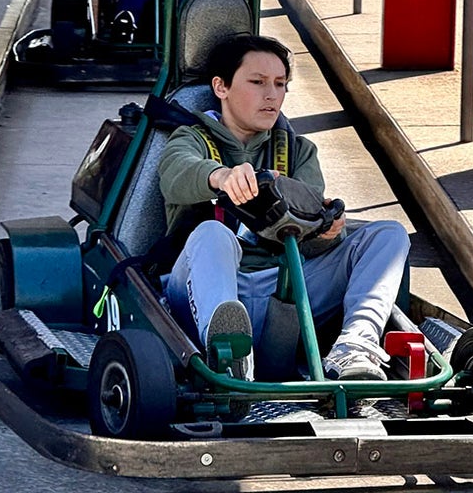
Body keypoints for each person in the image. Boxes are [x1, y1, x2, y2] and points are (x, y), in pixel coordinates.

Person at [157, 34, 410, 381]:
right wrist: (220, 176)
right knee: (212, 232)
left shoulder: (297, 151)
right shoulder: (190, 138)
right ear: (221, 87)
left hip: (285, 286)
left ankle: (354, 346)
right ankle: (228, 353)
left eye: (280, 84)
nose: (271, 95)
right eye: (257, 82)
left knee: (389, 234)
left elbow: (308, 238)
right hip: (205, 286)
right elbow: (175, 174)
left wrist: (327, 234)